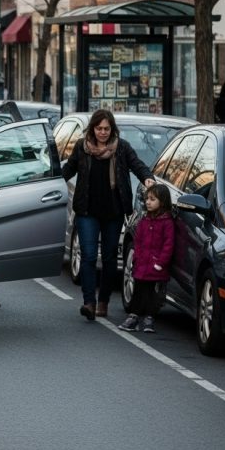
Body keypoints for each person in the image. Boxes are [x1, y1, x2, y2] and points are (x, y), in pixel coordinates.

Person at [62, 109, 155, 321]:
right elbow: (68, 169)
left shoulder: (121, 148)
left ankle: (103, 300)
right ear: (92, 129)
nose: (103, 132)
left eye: (106, 128)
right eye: (99, 128)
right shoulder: (82, 147)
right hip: (87, 211)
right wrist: (50, 183)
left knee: (111, 257)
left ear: (112, 129)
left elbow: (137, 165)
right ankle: (89, 302)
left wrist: (147, 178)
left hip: (113, 212)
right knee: (88, 256)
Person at [119, 184, 175, 334]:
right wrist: (137, 256)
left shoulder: (167, 223)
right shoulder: (145, 220)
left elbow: (168, 245)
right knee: (138, 291)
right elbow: (138, 240)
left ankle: (149, 318)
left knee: (153, 294)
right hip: (142, 264)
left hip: (156, 265)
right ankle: (134, 316)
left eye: (152, 199)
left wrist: (160, 263)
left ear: (162, 202)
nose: (148, 202)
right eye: (147, 199)